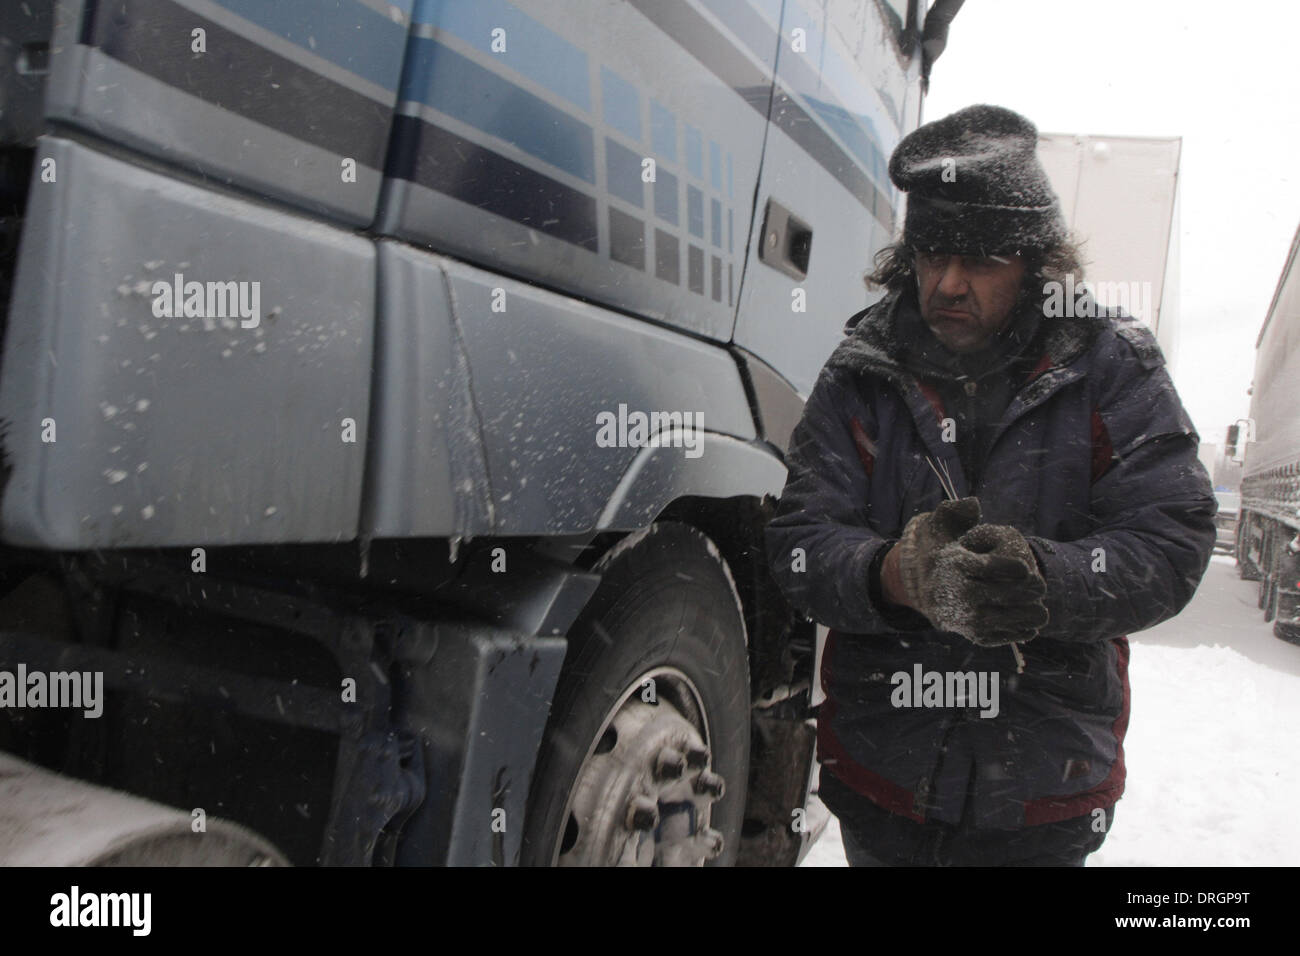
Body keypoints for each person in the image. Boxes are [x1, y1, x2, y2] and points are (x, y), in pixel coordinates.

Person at [765, 104, 1216, 866]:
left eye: (979, 262)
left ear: (1036, 262)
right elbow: (799, 543)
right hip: (885, 779)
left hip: (1043, 788)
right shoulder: (862, 369)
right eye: (931, 254)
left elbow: (1171, 542)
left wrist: (1044, 578)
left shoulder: (1112, 366)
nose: (946, 283)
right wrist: (890, 576)